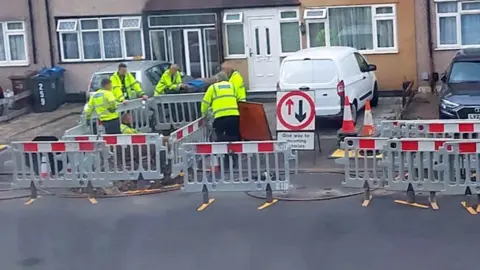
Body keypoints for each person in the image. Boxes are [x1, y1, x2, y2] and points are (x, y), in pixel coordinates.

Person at [201, 71, 243, 142]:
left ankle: (223, 151)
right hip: (234, 116)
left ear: (217, 79)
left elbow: (205, 103)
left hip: (220, 117)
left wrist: (204, 114)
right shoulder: (232, 86)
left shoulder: (213, 87)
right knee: (234, 136)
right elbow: (238, 98)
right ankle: (234, 152)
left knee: (220, 137)